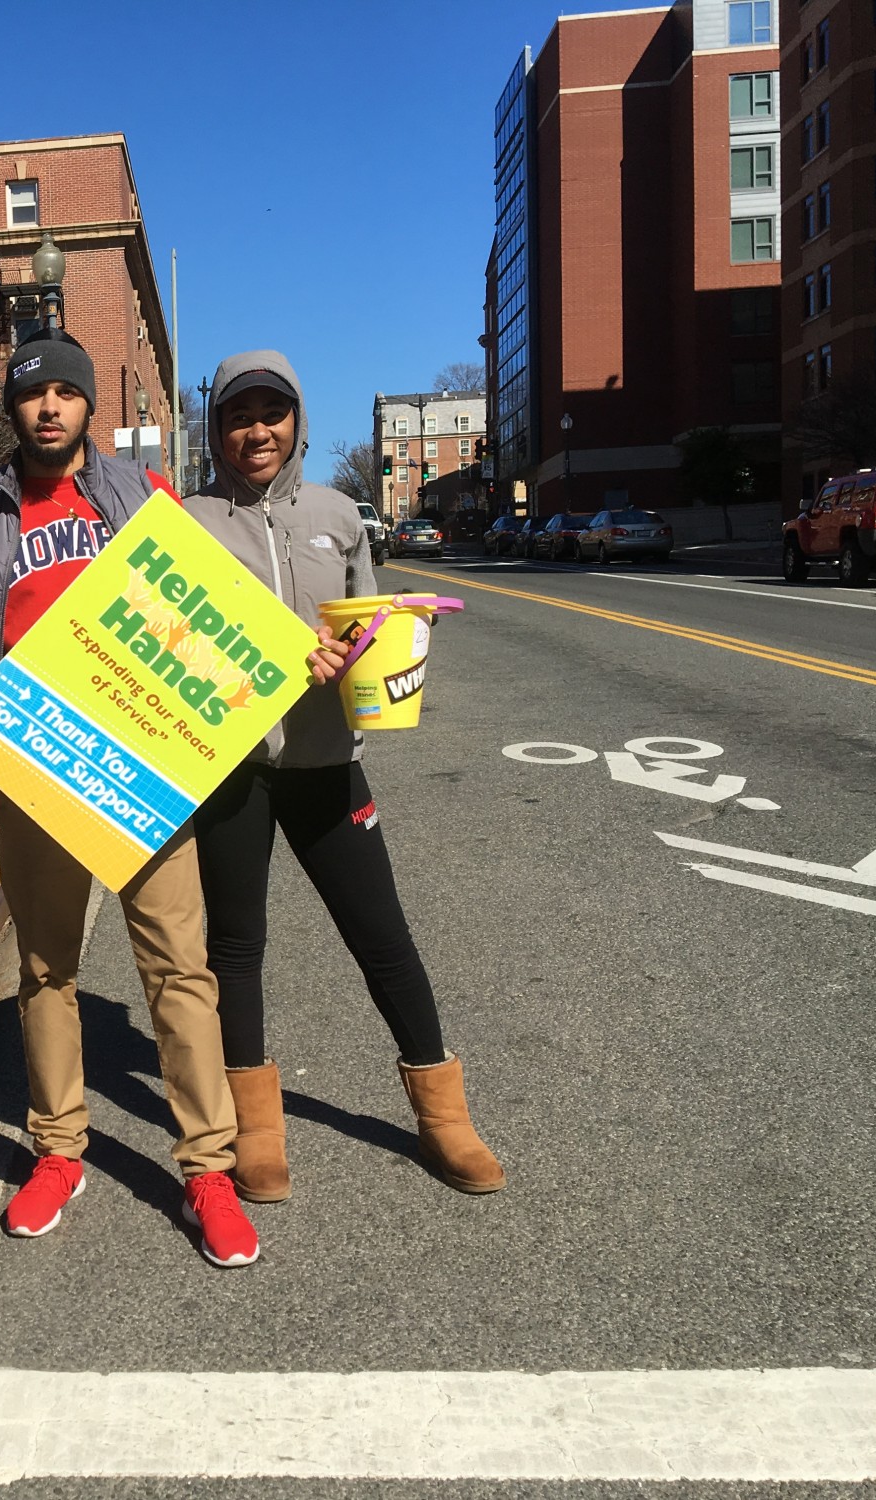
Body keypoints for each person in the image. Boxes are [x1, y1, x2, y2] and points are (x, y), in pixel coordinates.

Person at [0, 330, 260, 1268]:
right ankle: (58, 1151)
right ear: (13, 409)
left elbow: (207, 611)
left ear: (89, 403)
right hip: (35, 762)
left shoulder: (141, 495)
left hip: (140, 761)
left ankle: (208, 1169)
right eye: (32, 394)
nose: (49, 407)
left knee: (178, 967)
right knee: (46, 968)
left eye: (65, 392)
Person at [181, 350, 506, 1203]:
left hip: (328, 760)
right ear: (216, 429)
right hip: (235, 768)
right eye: (238, 416)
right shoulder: (189, 522)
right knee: (236, 948)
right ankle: (256, 1129)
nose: (257, 431)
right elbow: (174, 644)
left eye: (272, 413)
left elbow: (369, 622)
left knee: (382, 936)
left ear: (296, 421)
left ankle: (444, 1115)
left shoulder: (336, 514)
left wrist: (379, 645)